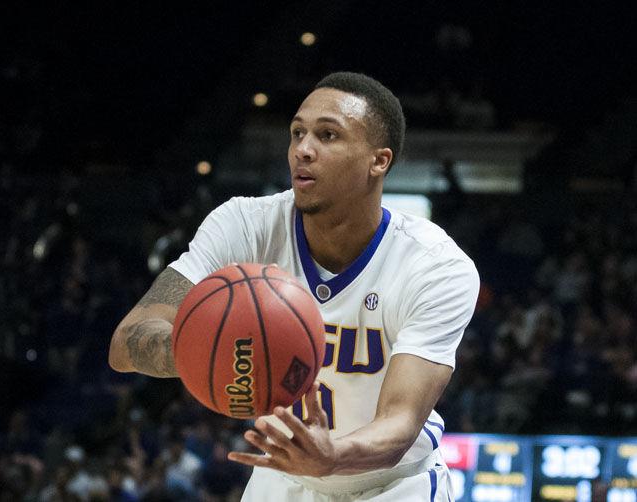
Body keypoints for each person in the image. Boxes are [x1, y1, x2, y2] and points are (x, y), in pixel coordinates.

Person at [109, 71, 480, 501]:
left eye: (327, 135)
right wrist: (208, 347)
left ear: (379, 161)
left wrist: (333, 456)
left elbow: (400, 422)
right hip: (286, 476)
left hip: (394, 484)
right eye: (297, 133)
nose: (303, 150)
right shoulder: (245, 226)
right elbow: (127, 342)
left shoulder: (435, 266)